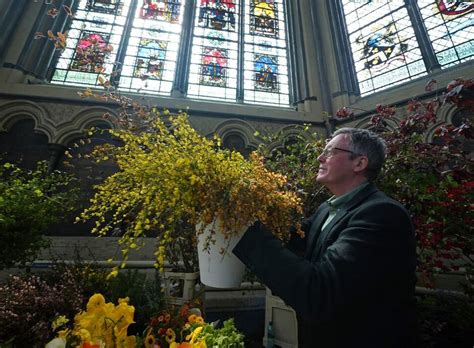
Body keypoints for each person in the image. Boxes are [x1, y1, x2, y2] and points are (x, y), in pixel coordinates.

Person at [233, 128, 417, 347]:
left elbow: (319, 293)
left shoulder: (381, 214)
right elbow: (293, 240)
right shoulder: (327, 209)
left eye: (330, 151)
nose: (320, 157)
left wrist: (246, 232)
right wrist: (245, 205)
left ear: (359, 163)